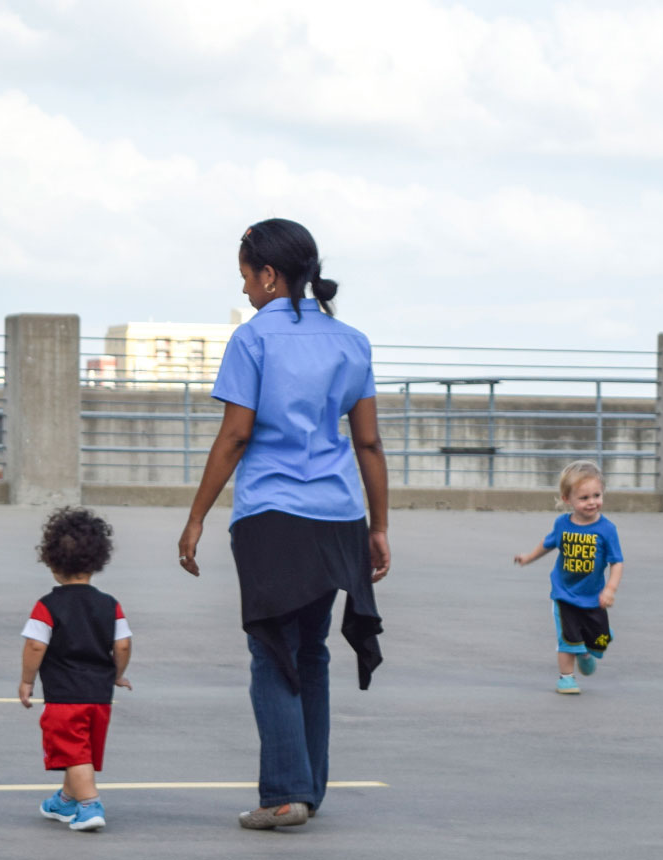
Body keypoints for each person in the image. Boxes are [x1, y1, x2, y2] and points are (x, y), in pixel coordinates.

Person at [177, 218, 390, 830]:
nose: (244, 289)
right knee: (312, 650)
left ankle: (282, 796)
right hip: (338, 517)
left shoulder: (252, 340)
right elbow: (369, 445)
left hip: (273, 517)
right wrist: (378, 527)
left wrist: (195, 518)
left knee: (272, 651)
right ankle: (308, 789)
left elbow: (236, 434)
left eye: (246, 276)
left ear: (269, 275)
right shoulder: (352, 341)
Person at [19, 507, 133, 833]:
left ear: (52, 562)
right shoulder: (110, 604)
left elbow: (35, 646)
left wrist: (27, 681)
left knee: (73, 750)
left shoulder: (47, 606)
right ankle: (65, 800)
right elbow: (122, 644)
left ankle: (89, 805)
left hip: (64, 696)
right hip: (100, 696)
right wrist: (116, 673)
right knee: (81, 750)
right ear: (97, 560)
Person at [513, 460, 624, 694]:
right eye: (584, 498)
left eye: (597, 495)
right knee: (566, 639)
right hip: (564, 593)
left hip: (594, 596)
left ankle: (587, 649)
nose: (592, 502)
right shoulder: (562, 524)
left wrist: (610, 589)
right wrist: (528, 557)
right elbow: (548, 543)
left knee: (600, 640)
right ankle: (566, 677)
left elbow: (616, 562)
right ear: (567, 499)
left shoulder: (607, 529)